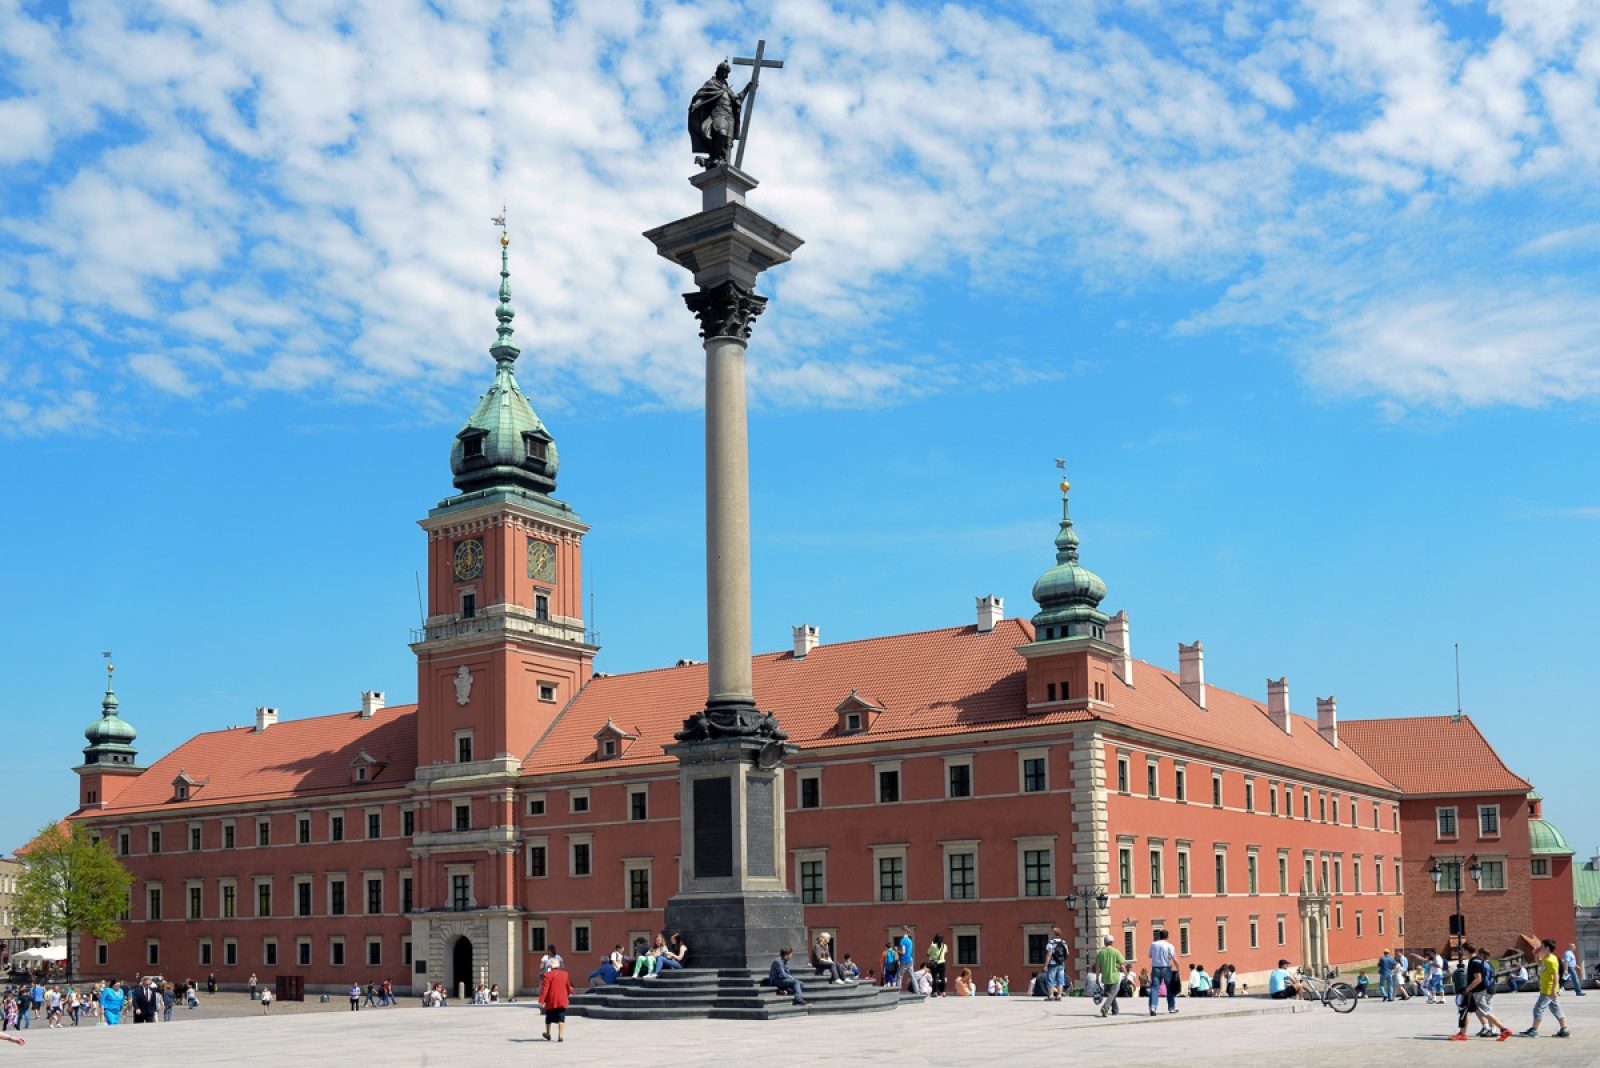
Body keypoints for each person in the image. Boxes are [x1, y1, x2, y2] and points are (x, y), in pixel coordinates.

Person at [686, 60, 751, 169]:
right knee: (722, 133)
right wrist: (696, 104)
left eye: (727, 72)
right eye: (723, 71)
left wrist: (748, 88)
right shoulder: (712, 83)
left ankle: (725, 163)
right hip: (718, 113)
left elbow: (737, 100)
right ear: (718, 71)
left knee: (728, 143)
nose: (725, 74)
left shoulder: (727, 88)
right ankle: (715, 158)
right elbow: (702, 95)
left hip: (730, 116)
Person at [1451, 948, 1510, 1041]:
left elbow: (1478, 979)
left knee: (1483, 1011)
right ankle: (1467, 1032)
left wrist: (1467, 989)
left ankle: (1503, 1029)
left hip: (1477, 990)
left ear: (1467, 951)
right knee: (1477, 1010)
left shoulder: (1475, 962)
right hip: (1485, 989)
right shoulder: (1484, 962)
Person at [1521, 939, 1572, 1038]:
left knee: (1538, 1009)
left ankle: (1534, 1030)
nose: (1540, 948)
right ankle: (1564, 1029)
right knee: (1556, 1009)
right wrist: (1536, 954)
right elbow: (1539, 963)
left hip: (1548, 990)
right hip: (1546, 989)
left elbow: (1556, 975)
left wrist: (1553, 990)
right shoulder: (1546, 958)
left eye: (1542, 946)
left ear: (1547, 948)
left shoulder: (1552, 960)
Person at [539, 959, 573, 1042]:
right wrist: (568, 995)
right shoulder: (565, 974)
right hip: (562, 999)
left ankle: (548, 1033)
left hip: (551, 999)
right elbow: (568, 986)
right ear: (558, 966)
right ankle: (560, 1035)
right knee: (561, 1017)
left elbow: (545, 989)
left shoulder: (547, 975)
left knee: (549, 1017)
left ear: (550, 966)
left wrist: (542, 1000)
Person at [1147, 928, 1179, 1015]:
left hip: (1155, 968)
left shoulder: (1153, 944)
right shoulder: (1170, 946)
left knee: (1154, 988)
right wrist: (1178, 968)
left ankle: (1153, 1007)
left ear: (1159, 936)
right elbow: (1174, 958)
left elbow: (1150, 955)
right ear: (1167, 936)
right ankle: (1171, 1007)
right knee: (1170, 988)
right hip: (1166, 968)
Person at [1094, 936, 1126, 1018]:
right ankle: (1105, 1008)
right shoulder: (1116, 952)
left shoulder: (1101, 953)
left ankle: (1115, 1010)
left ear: (1104, 942)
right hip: (1114, 977)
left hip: (1105, 977)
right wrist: (1126, 974)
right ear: (1112, 942)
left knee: (1111, 994)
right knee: (1112, 994)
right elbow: (1122, 965)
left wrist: (1097, 978)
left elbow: (1097, 967)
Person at [1044, 925, 1070, 1001]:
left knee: (1050, 979)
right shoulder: (1064, 942)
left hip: (1052, 964)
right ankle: (1059, 995)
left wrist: (1046, 965)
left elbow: (1049, 954)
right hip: (1061, 964)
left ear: (1054, 933)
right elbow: (1067, 953)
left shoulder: (1051, 942)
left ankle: (1051, 996)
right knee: (1060, 980)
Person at [897, 928, 915, 993]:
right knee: (912, 976)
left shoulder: (903, 940)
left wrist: (897, 950)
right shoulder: (910, 940)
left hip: (904, 960)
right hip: (910, 959)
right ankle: (917, 990)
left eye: (901, 931)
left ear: (905, 931)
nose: (900, 932)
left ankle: (897, 991)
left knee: (899, 976)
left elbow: (903, 952)